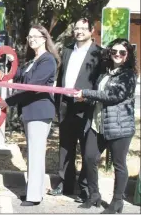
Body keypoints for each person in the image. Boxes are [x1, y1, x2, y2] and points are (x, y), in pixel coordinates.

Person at [0, 24, 60, 206]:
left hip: (40, 112)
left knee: (35, 153)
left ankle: (33, 196)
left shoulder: (47, 60)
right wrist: (9, 64)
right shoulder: (33, 60)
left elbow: (31, 87)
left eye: (36, 36)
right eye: (30, 37)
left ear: (44, 38)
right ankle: (35, 192)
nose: (32, 39)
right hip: (31, 112)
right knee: (34, 153)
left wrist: (8, 101)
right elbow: (19, 77)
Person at [74, 38, 137, 214]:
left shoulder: (129, 75)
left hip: (119, 126)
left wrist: (86, 92)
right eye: (114, 51)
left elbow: (114, 96)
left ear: (128, 55)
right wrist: (86, 97)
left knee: (119, 164)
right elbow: (100, 94)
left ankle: (117, 201)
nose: (117, 55)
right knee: (89, 158)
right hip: (98, 123)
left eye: (122, 52)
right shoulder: (105, 72)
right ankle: (94, 195)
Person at [49, 17, 102, 203]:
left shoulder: (99, 54)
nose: (79, 31)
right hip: (66, 105)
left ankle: (85, 188)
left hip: (86, 106)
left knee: (87, 149)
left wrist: (88, 97)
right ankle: (65, 183)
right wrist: (58, 103)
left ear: (91, 31)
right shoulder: (68, 49)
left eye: (83, 29)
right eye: (77, 28)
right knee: (65, 146)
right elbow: (61, 77)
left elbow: (99, 83)